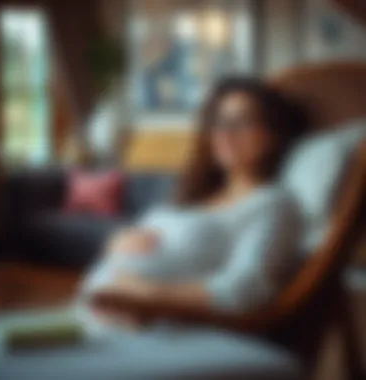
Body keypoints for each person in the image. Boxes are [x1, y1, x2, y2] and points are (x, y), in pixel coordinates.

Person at [78, 77, 308, 333]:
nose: (224, 132)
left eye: (241, 121)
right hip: (88, 317)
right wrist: (117, 242)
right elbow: (135, 242)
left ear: (271, 136)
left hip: (151, 328)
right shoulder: (196, 195)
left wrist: (149, 295)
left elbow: (245, 288)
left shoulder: (273, 205)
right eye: (218, 122)